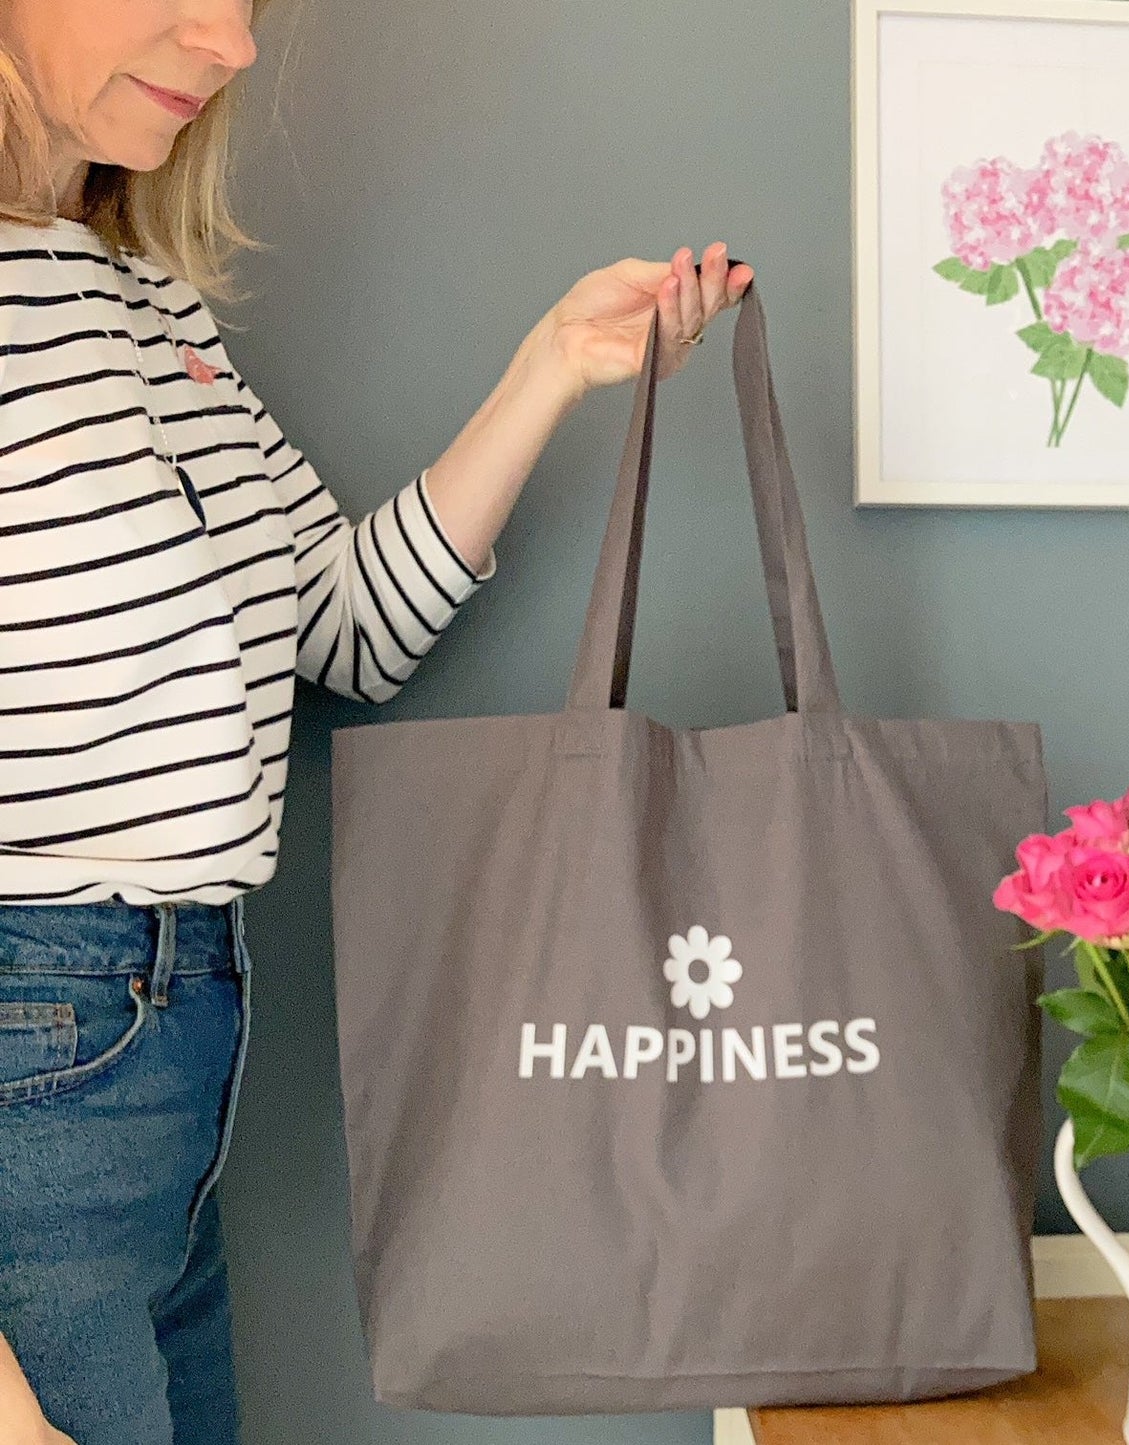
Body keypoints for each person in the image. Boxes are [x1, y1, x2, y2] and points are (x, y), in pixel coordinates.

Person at [0, 1, 754, 1441]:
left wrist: (551, 366)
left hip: (166, 1066)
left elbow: (339, 629)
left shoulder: (138, 296)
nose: (231, 45)